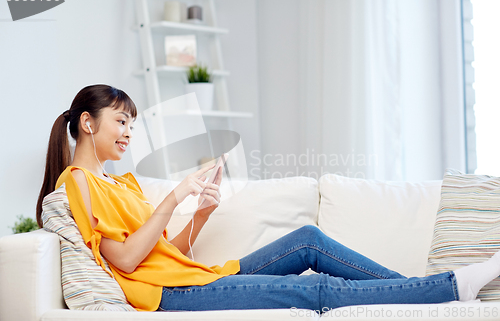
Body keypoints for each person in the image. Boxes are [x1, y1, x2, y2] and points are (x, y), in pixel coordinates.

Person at [36, 84, 500, 313]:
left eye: (132, 124)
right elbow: (126, 260)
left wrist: (201, 213)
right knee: (311, 289)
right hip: (167, 297)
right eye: (120, 121)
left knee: (308, 240)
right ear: (86, 122)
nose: (128, 133)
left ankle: (423, 294)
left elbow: (167, 254)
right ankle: (443, 294)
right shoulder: (75, 182)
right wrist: (175, 195)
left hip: (188, 277)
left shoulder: (126, 185)